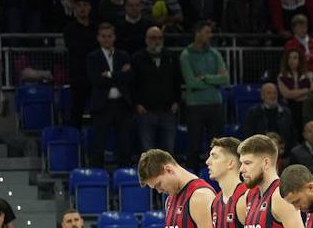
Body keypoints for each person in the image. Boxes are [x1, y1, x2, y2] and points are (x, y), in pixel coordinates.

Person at [178, 20, 229, 167]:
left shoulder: (215, 54)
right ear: (197, 33)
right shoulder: (186, 55)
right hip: (195, 106)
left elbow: (225, 78)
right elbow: (191, 82)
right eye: (207, 32)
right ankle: (192, 181)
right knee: (193, 145)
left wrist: (205, 78)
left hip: (215, 104)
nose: (210, 35)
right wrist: (214, 81)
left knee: (217, 147)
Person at [86, 23, 135, 168]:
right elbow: (96, 80)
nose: (107, 39)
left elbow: (129, 77)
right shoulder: (92, 57)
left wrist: (109, 75)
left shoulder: (123, 55)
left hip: (122, 105)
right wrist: (118, 75)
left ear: (114, 38)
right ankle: (97, 175)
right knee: (99, 143)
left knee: (124, 143)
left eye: (109, 36)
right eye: (103, 36)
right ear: (98, 38)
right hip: (102, 105)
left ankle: (125, 174)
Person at [130, 27, 180, 155]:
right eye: (152, 38)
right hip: (146, 111)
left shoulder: (171, 57)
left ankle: (168, 176)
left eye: (159, 38)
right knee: (148, 152)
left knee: (169, 150)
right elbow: (132, 84)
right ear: (146, 40)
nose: (156, 41)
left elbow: (177, 81)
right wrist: (137, 104)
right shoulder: (137, 58)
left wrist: (177, 101)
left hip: (168, 110)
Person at [63, 0, 97, 128]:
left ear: (90, 8)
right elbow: (75, 48)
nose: (82, 8)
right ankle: (75, 143)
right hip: (78, 76)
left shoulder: (96, 27)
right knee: (76, 112)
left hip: (95, 76)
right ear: (74, 9)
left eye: (85, 5)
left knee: (97, 112)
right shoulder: (69, 29)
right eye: (79, 6)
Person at [241, 81, 295, 148]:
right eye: (269, 93)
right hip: (260, 150)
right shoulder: (254, 112)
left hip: (283, 151)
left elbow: (292, 136)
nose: (273, 96)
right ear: (262, 96)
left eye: (275, 93)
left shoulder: (286, 112)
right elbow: (248, 135)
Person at [276, 48, 312, 133]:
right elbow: (286, 94)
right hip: (289, 107)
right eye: (290, 58)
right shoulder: (282, 76)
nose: (292, 60)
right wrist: (305, 90)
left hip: (305, 107)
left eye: (295, 58)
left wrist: (295, 95)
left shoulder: (306, 75)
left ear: (300, 60)